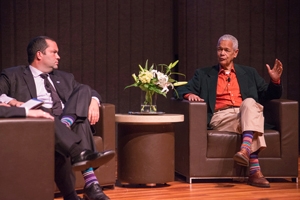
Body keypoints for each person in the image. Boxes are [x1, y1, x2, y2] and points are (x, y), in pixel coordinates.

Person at [0, 36, 115, 200]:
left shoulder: (65, 77)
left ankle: (65, 125)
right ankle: (91, 185)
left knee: (84, 90)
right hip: (41, 120)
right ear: (39, 54)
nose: (58, 56)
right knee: (80, 122)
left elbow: (87, 92)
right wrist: (12, 101)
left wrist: (94, 102)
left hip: (66, 118)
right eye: (54, 52)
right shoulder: (13, 75)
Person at [174, 34, 283, 188]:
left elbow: (270, 95)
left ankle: (245, 150)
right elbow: (178, 89)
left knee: (250, 103)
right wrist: (189, 94)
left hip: (245, 112)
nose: (222, 53)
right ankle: (254, 170)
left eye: (226, 50)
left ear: (235, 53)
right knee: (251, 117)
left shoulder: (249, 73)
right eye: (219, 49)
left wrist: (275, 81)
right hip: (221, 117)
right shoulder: (204, 74)